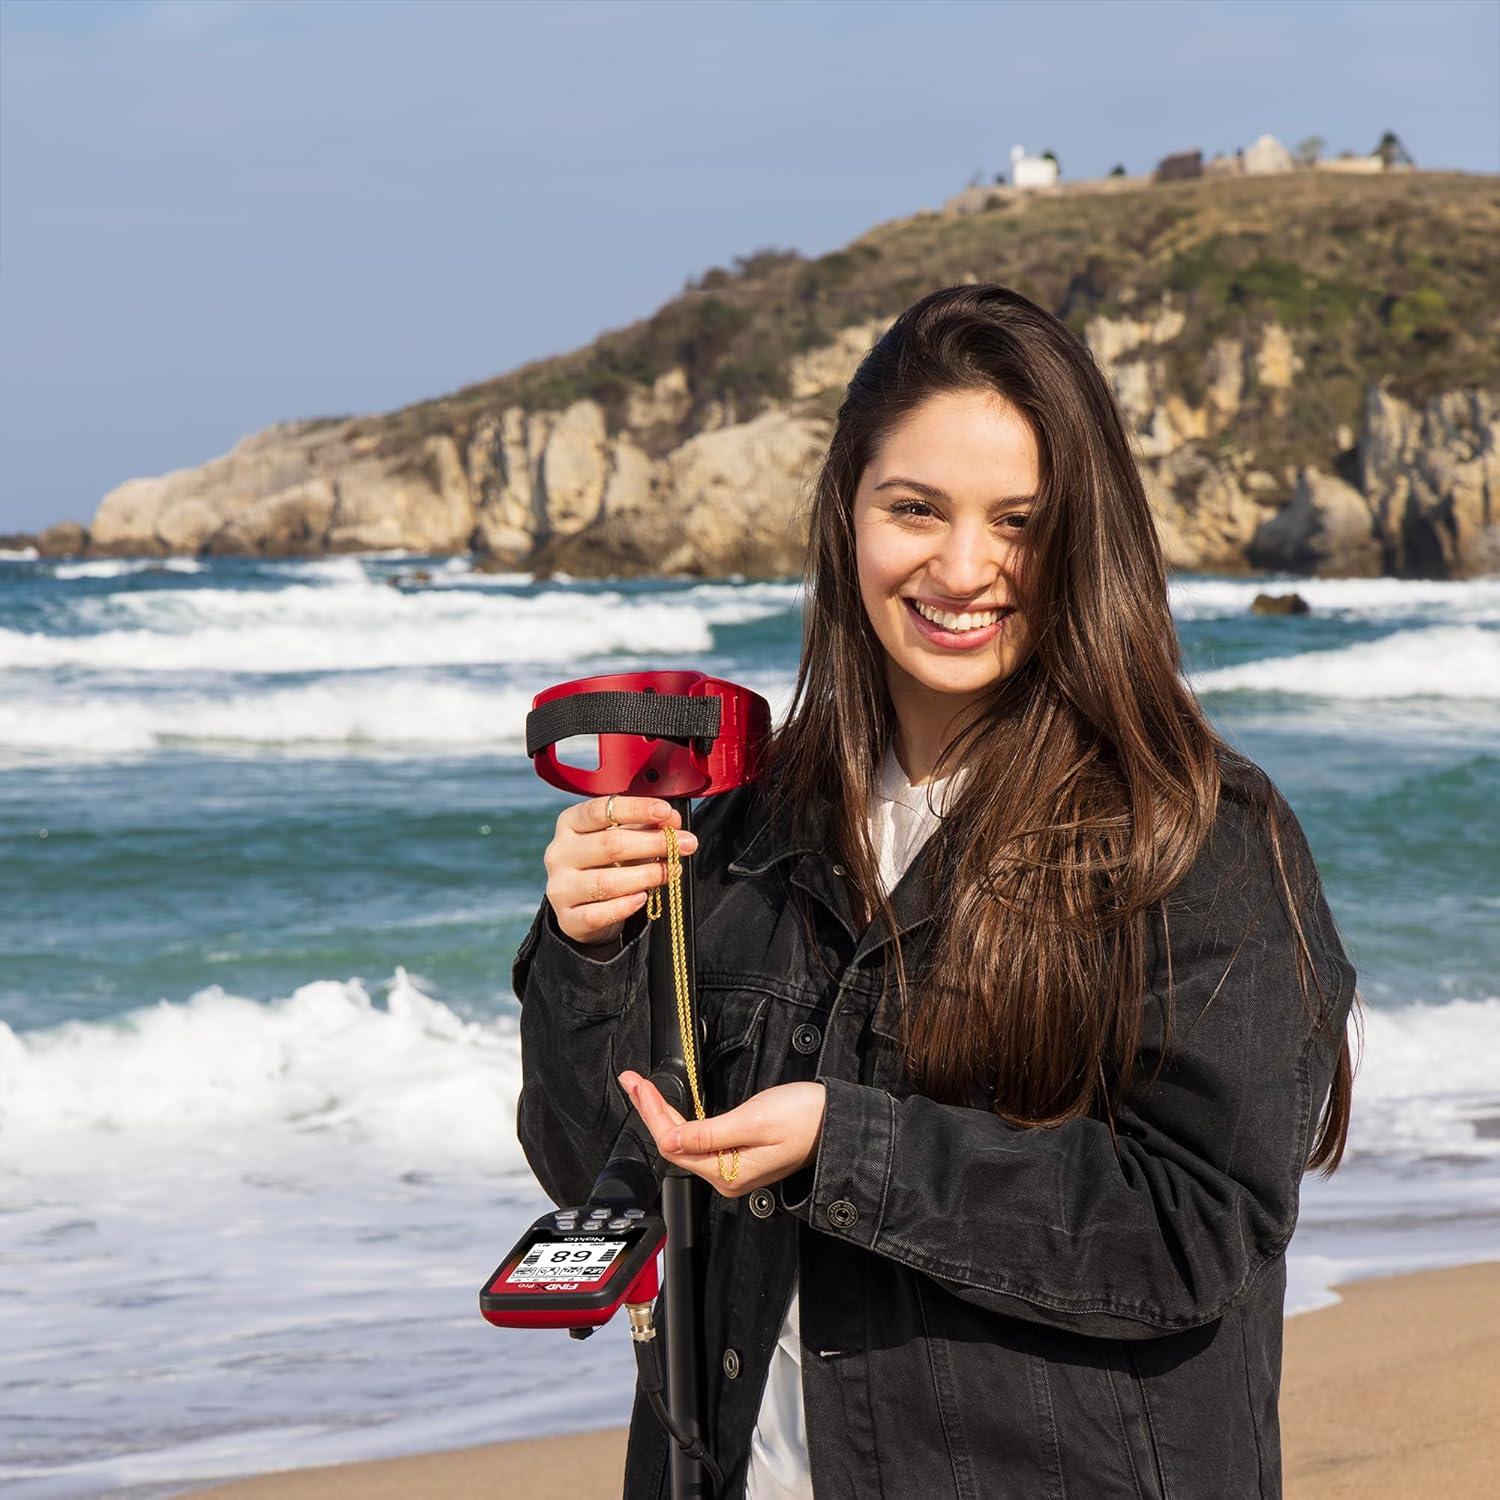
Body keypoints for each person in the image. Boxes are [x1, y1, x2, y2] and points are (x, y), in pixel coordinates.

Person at [512, 283, 1358, 1499]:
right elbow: (590, 1165)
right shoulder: (735, 829)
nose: (965, 568)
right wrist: (588, 952)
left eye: (1020, 521)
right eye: (915, 508)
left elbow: (1197, 1225)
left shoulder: (1194, 834)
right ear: (846, 514)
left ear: (1085, 536)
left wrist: (842, 1146)